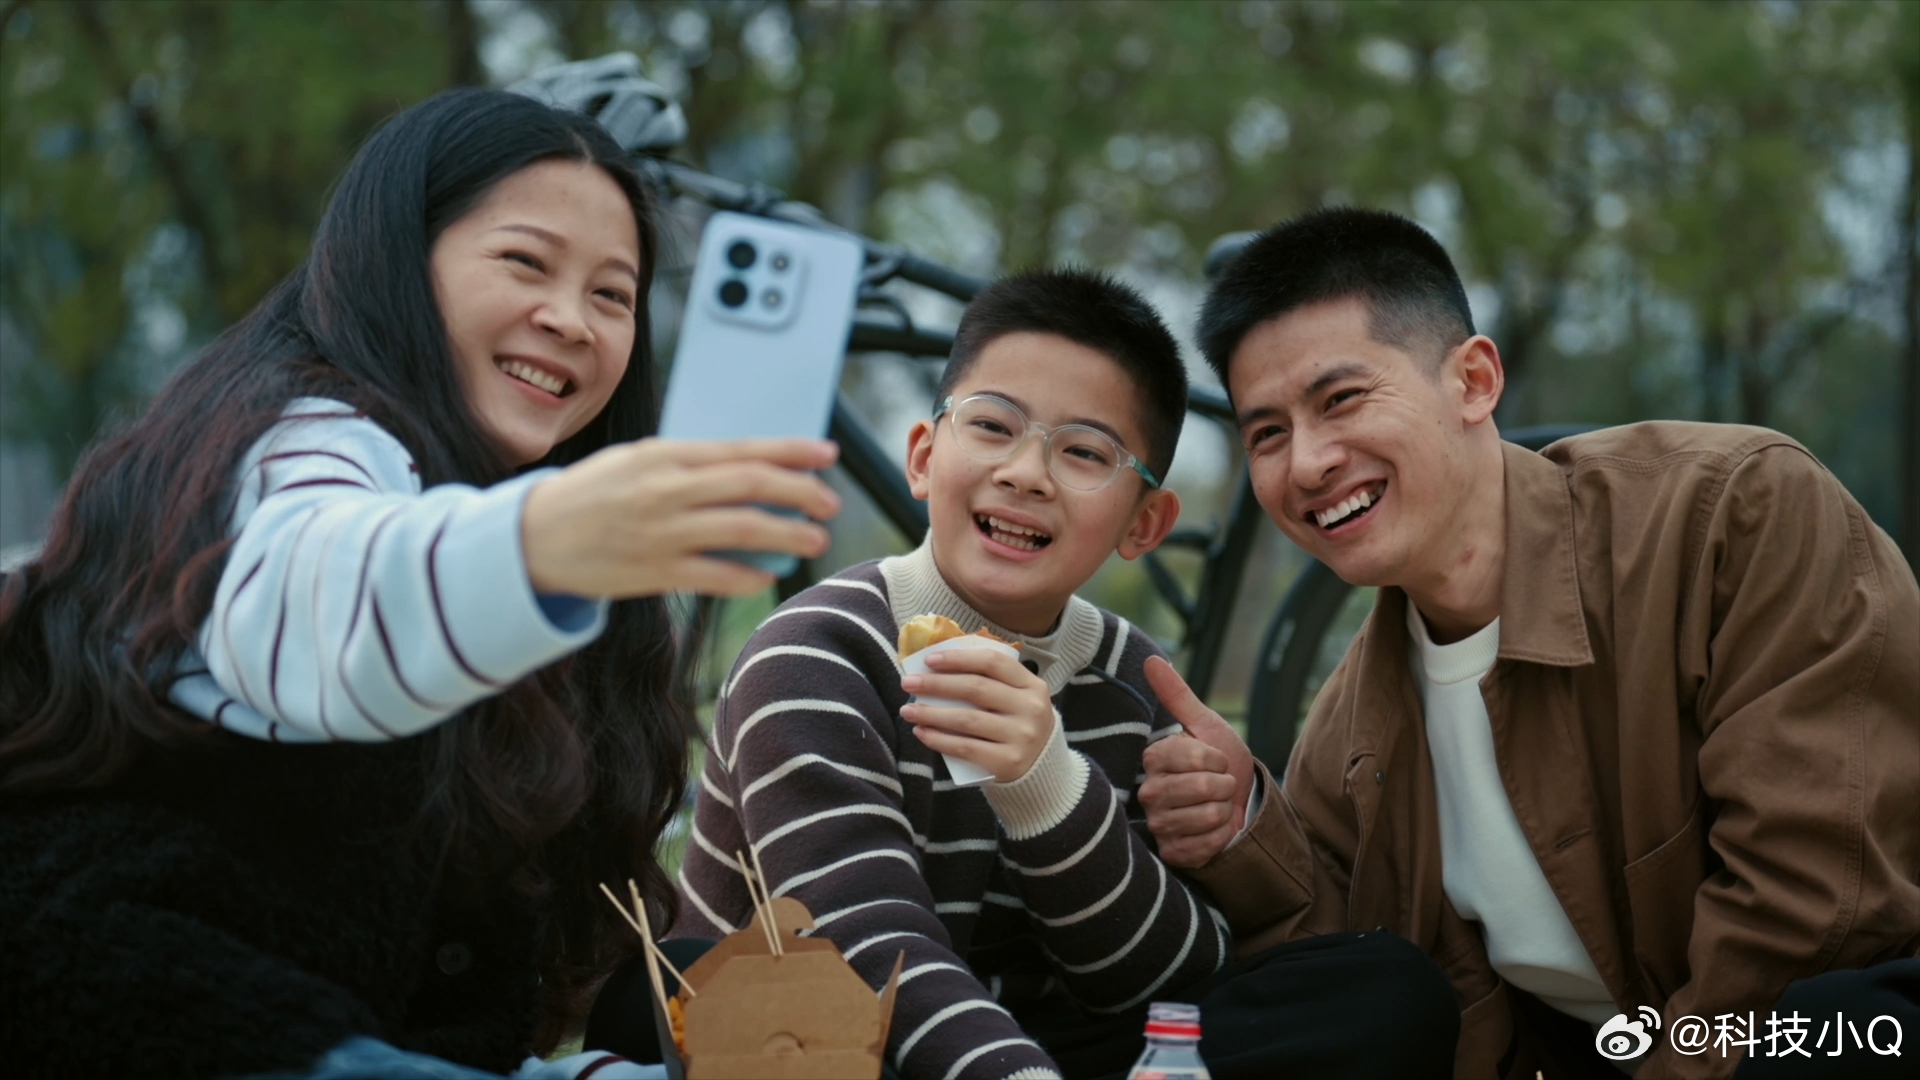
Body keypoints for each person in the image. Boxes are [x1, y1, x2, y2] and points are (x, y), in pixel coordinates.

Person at [0, 88, 842, 1079]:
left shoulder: (530, 569)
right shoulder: (303, 438)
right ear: (395, 263)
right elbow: (324, 601)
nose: (569, 319)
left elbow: (430, 1007)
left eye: (613, 294)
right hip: (133, 1002)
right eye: (524, 262)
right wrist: (546, 546)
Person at [1137, 207, 1920, 1079]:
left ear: (1474, 381)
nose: (1309, 462)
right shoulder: (1352, 725)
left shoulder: (1734, 517)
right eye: (1268, 433)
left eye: (1342, 399)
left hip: (1807, 1031)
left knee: (1834, 1027)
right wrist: (1243, 827)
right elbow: (1355, 990)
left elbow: (1815, 916)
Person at [636, 269, 1457, 1080]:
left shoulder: (1136, 679)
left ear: (1145, 524)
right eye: (993, 426)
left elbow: (1168, 982)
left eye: (1085, 451)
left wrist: (1048, 788)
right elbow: (863, 947)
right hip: (815, 1041)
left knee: (1383, 991)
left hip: (1043, 1045)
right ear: (925, 457)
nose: (1026, 473)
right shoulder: (817, 654)